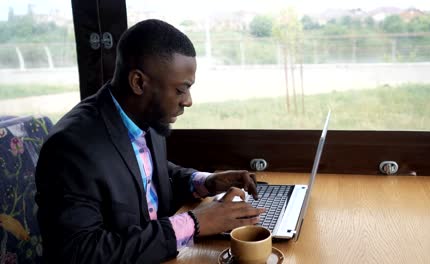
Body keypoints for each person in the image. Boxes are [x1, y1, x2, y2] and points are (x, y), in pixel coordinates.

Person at [34, 19, 265, 264]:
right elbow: (81, 252)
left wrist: (206, 182)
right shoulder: (71, 148)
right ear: (139, 83)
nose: (188, 101)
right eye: (180, 90)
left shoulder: (145, 115)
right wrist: (195, 222)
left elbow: (150, 174)